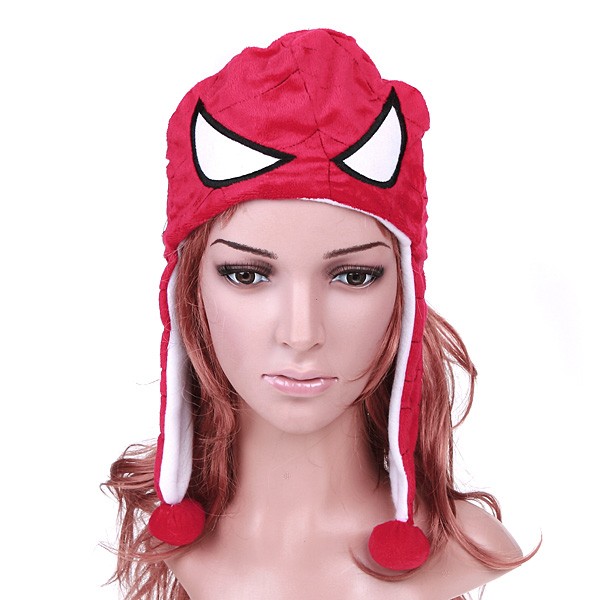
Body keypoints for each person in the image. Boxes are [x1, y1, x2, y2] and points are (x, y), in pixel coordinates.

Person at [105, 28, 533, 600]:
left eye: (353, 276)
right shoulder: (181, 538)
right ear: (188, 291)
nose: (301, 334)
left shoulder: (466, 547)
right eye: (247, 275)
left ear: (405, 291)